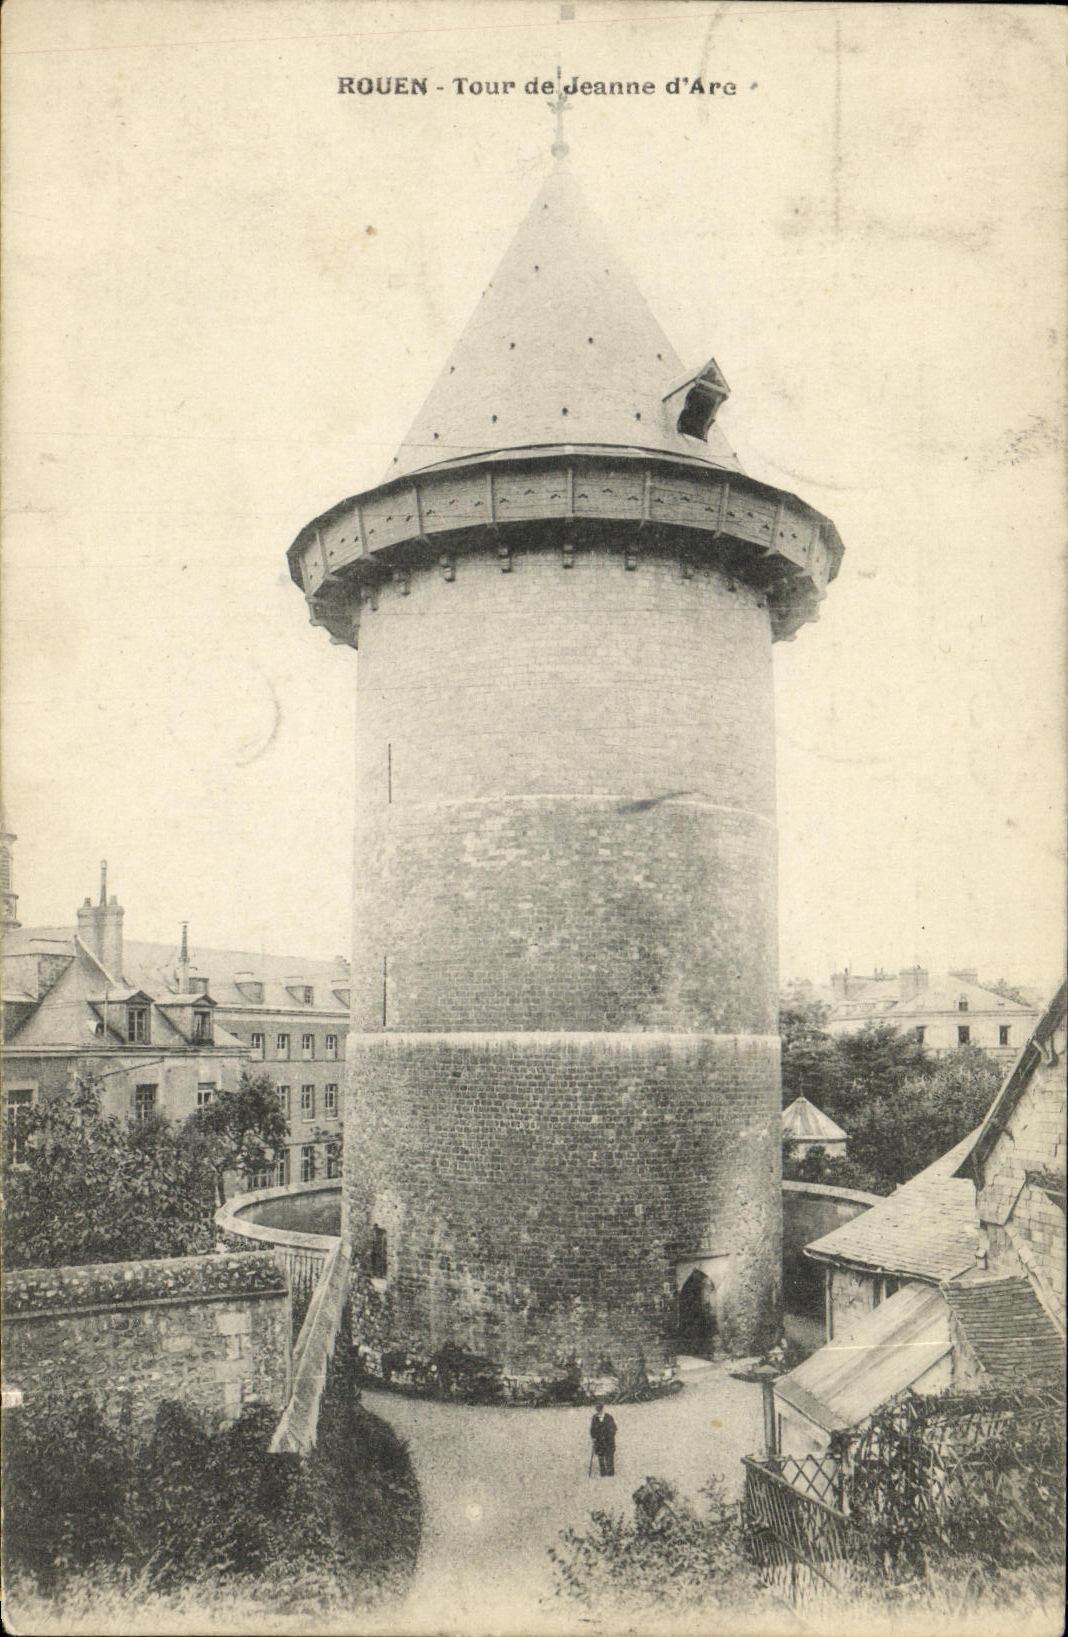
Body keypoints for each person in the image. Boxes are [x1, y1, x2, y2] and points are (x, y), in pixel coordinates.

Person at [589, 1401, 617, 1477]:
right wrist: (594, 1437)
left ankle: (610, 1473)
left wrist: (608, 1436)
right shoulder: (594, 1418)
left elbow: (614, 1428)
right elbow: (592, 1430)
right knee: (600, 1456)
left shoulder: (609, 1417)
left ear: (602, 1409)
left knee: (609, 1456)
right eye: (597, 1410)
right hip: (599, 1441)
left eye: (600, 1409)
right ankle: (603, 1472)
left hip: (608, 1441)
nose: (598, 1411)